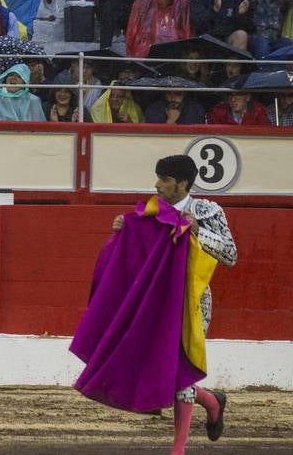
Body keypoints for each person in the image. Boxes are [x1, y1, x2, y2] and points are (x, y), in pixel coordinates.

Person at [92, 155, 236, 454]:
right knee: (162, 368)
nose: (157, 185)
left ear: (182, 184)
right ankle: (211, 401)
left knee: (180, 369)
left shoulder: (207, 211)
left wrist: (198, 230)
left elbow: (231, 255)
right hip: (156, 301)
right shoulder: (152, 211)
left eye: (164, 180)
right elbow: (141, 254)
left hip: (193, 300)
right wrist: (123, 230)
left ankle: (178, 449)